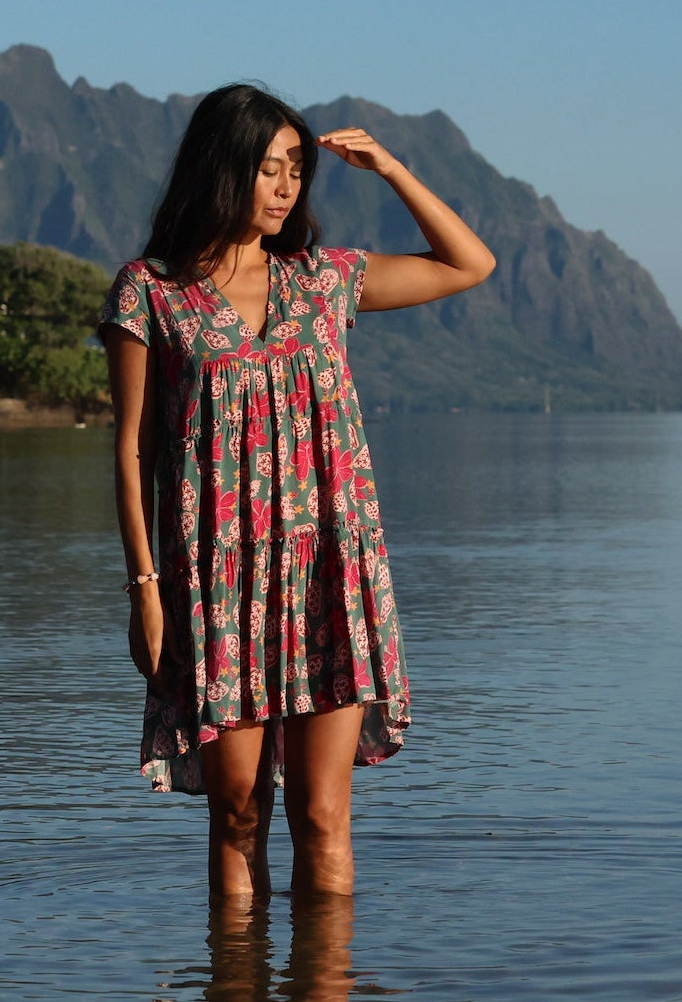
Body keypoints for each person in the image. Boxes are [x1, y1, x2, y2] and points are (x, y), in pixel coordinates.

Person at [99, 84, 495, 900]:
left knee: (322, 813)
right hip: (218, 584)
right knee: (238, 811)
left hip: (329, 580)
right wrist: (145, 588)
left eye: (296, 169)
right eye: (269, 166)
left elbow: (469, 263)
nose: (286, 185)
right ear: (224, 166)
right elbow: (133, 448)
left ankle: (324, 983)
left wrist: (389, 167)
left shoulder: (323, 281)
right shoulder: (153, 293)